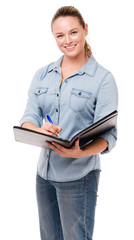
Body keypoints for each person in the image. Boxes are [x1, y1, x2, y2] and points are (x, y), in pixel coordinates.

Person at [20, 6, 118, 240]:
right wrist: (40, 130)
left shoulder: (103, 80)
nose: (68, 41)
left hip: (79, 177)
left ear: (85, 30)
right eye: (60, 36)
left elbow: (109, 136)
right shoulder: (42, 75)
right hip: (43, 176)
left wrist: (79, 152)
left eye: (73, 32)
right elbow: (28, 119)